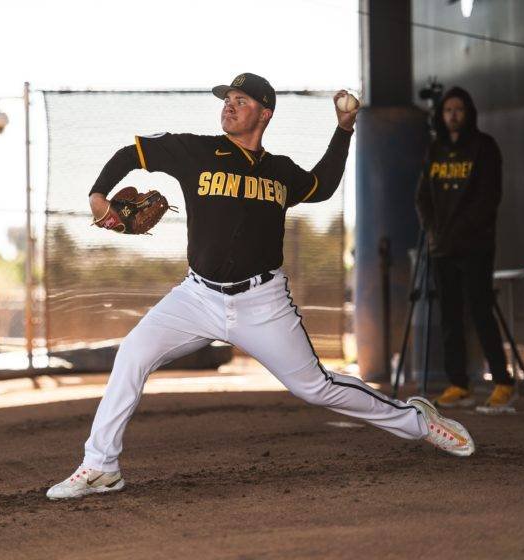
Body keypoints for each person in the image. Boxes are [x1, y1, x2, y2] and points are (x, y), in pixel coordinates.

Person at [46, 73, 475, 500]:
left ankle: (418, 420)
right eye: (227, 98)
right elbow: (132, 151)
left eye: (241, 100)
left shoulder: (280, 171)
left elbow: (322, 186)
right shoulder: (196, 150)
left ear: (264, 112)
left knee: (316, 387)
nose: (229, 105)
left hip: (262, 301)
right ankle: (101, 465)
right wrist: (98, 195)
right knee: (133, 354)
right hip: (197, 296)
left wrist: (344, 130)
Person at [415, 87, 516, 411]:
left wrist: (456, 230)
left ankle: (503, 382)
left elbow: (489, 198)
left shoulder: (484, 147)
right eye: (448, 110)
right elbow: (422, 198)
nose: (453, 114)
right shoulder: (435, 149)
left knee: (480, 311)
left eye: (459, 109)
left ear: (468, 112)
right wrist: (433, 230)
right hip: (442, 246)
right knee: (450, 317)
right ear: (441, 115)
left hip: (475, 245)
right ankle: (459, 384)